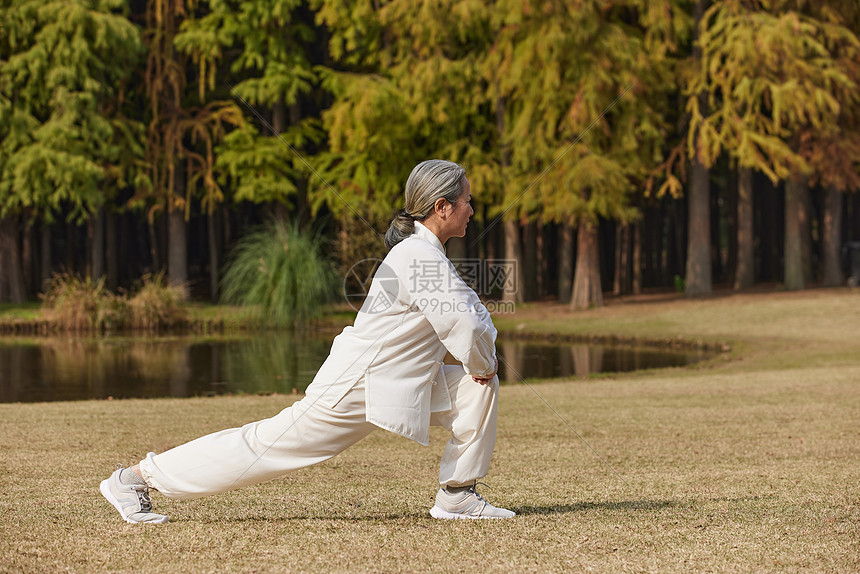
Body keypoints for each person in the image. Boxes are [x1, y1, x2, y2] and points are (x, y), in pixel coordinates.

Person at [100, 159, 515, 523]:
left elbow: (465, 319)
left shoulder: (424, 254)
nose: (472, 210)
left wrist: (481, 367)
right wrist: (484, 362)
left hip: (396, 382)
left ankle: (457, 496)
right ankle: (135, 480)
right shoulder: (418, 256)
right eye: (466, 201)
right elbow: (467, 323)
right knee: (264, 446)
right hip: (358, 383)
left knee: (476, 391)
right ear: (441, 207)